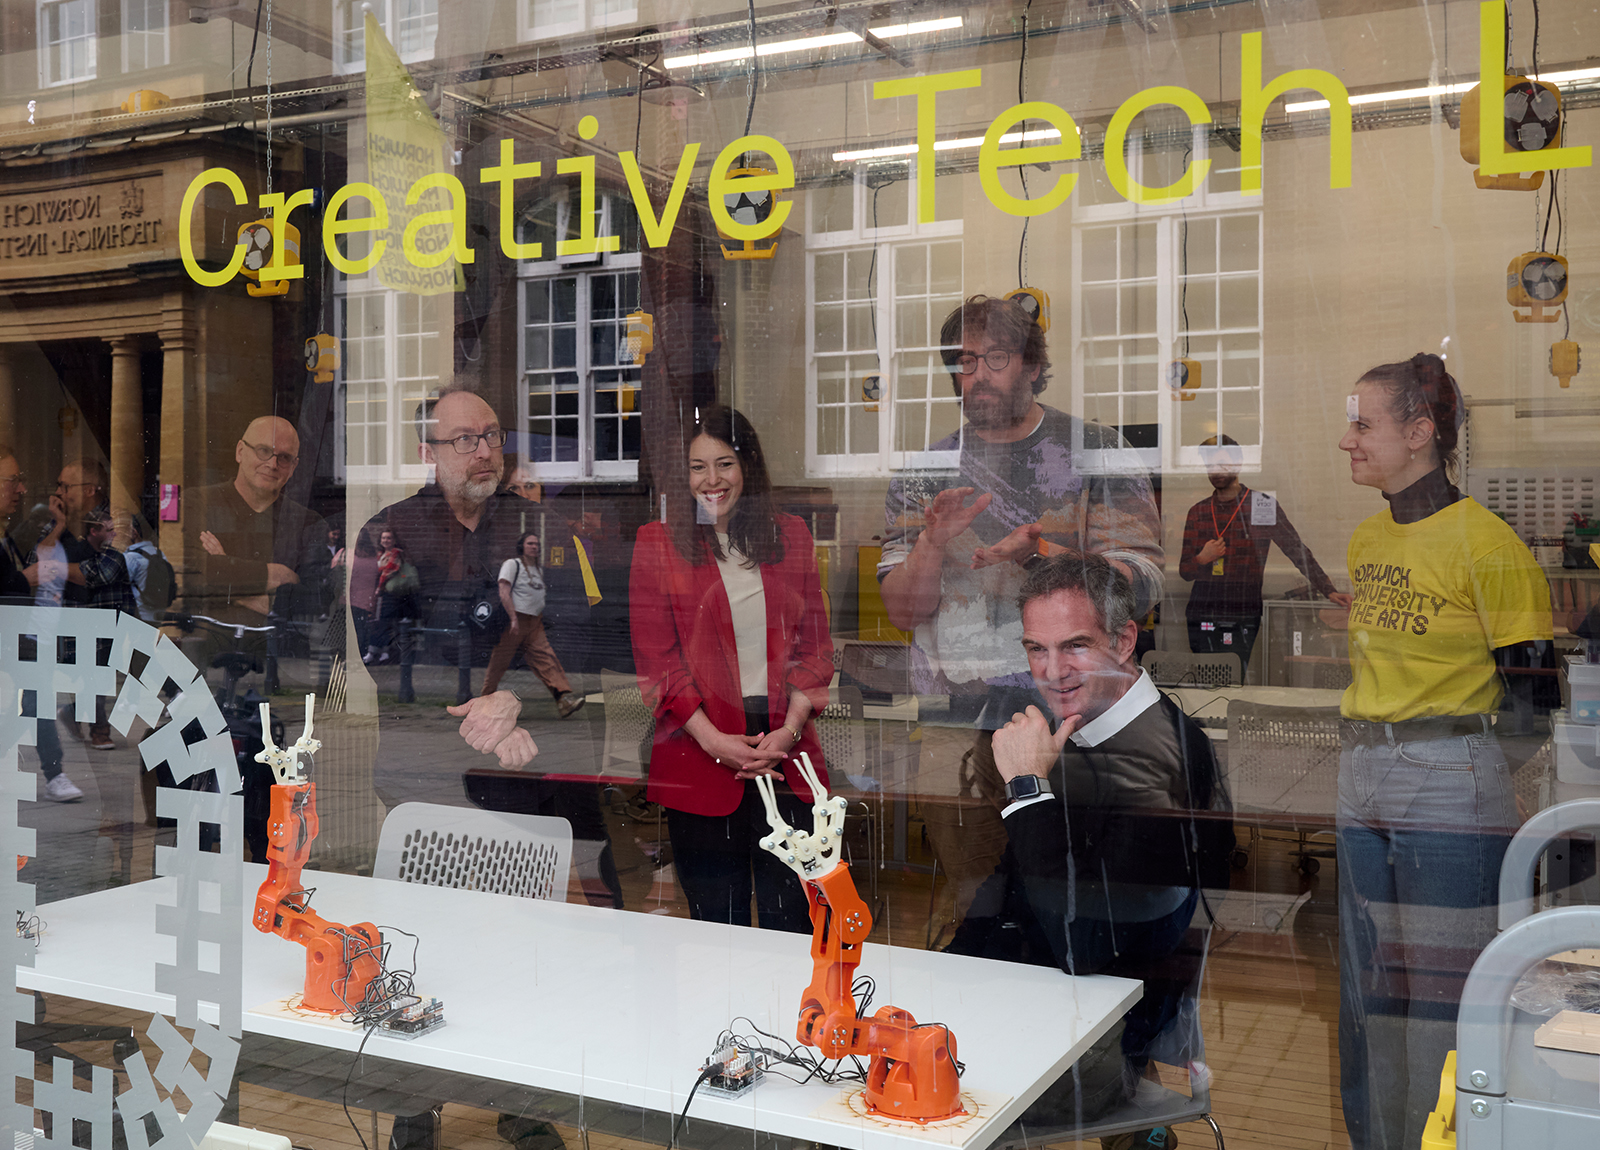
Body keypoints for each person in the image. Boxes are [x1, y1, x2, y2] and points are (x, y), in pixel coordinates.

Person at [877, 294, 1164, 937]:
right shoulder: (925, 471)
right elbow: (901, 609)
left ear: (1033, 365)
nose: (976, 374)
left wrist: (1040, 553)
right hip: (959, 725)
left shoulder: (1094, 451)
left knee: (1081, 906)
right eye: (964, 360)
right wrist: (931, 542)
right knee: (981, 910)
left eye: (996, 358)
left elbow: (1140, 586)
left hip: (1077, 725)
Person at [1333, 353, 1553, 1150]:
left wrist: (1492, 784)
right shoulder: (1365, 538)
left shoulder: (1490, 547)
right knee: (1367, 985)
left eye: (1364, 424)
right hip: (1362, 770)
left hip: (1447, 772)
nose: (1346, 439)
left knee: (1441, 992)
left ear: (1421, 433)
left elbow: (1534, 696)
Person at [961, 552, 1230, 1146]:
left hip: (1096, 1038)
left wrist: (1027, 791)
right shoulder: (1079, 728)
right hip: (1043, 997)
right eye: (1037, 649)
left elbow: (1085, 944)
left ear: (1125, 639)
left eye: (1075, 646)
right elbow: (1015, 883)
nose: (1052, 671)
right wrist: (952, 971)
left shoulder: (1162, 760)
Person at [629, 406, 834, 930]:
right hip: (699, 753)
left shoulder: (790, 537)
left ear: (749, 468)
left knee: (796, 922)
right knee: (714, 927)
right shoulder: (657, 543)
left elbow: (815, 651)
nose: (712, 480)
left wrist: (787, 731)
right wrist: (714, 741)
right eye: (698, 467)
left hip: (783, 751)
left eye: (725, 463)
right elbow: (659, 664)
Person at [1178, 434, 1350, 667]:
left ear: (1238, 464)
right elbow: (1186, 571)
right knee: (1205, 678)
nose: (1215, 471)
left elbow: (1295, 549)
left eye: (1221, 463)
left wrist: (1328, 589)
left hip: (1242, 612)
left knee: (1234, 677)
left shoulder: (1260, 505)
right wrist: (1202, 558)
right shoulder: (1198, 512)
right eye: (1209, 465)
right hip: (1203, 613)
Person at [188, 415, 329, 632]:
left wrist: (225, 573)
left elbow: (313, 603)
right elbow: (186, 575)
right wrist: (279, 575)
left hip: (282, 658)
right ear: (240, 451)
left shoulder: (309, 523)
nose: (272, 464)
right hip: (207, 647)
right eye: (263, 450)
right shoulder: (196, 503)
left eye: (284, 457)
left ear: (293, 467)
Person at [0, 447, 80, 802]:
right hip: (10, 637)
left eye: (21, 481)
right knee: (33, 701)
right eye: (12, 481)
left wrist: (60, 527)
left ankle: (55, 772)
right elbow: (16, 580)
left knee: (35, 699)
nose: (20, 489)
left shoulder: (6, 534)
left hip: (19, 636)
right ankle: (54, 773)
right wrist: (24, 580)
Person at [483, 531, 583, 716]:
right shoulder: (512, 565)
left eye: (537, 544)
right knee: (499, 663)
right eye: (530, 543)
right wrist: (513, 618)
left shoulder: (538, 570)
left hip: (534, 622)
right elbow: (504, 592)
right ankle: (483, 704)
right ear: (522, 546)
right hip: (514, 621)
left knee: (546, 659)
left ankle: (563, 701)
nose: (535, 547)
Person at [77, 508, 139, 749]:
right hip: (90, 625)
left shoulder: (112, 556)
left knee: (97, 678)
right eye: (109, 529)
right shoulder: (87, 552)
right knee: (92, 678)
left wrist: (70, 569)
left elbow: (98, 576)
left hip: (112, 626)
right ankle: (94, 727)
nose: (114, 534)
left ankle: (90, 724)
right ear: (94, 531)